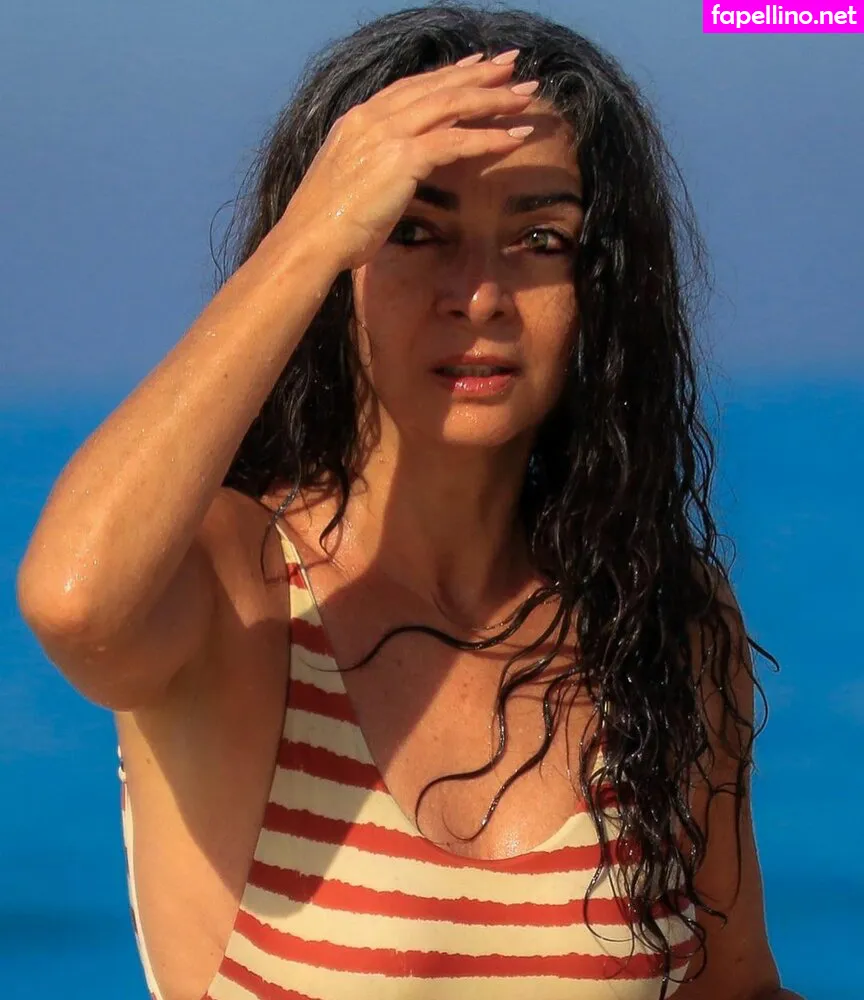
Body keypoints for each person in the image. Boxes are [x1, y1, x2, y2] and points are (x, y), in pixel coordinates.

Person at [16, 4, 804, 999]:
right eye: (414, 230)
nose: (479, 294)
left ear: (601, 290)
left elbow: (737, 988)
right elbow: (76, 602)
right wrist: (309, 235)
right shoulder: (243, 589)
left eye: (541, 238)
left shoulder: (658, 622)